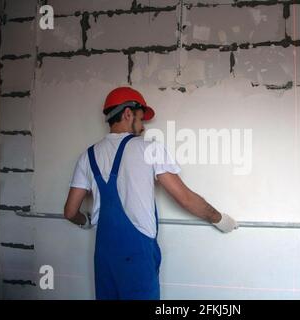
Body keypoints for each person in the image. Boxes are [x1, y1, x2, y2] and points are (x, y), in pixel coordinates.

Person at [63, 87, 238, 300]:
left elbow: (71, 212)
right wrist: (219, 219)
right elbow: (185, 198)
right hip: (137, 256)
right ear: (128, 113)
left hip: (104, 257)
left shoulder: (87, 157)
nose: (144, 126)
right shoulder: (150, 149)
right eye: (141, 118)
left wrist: (86, 221)